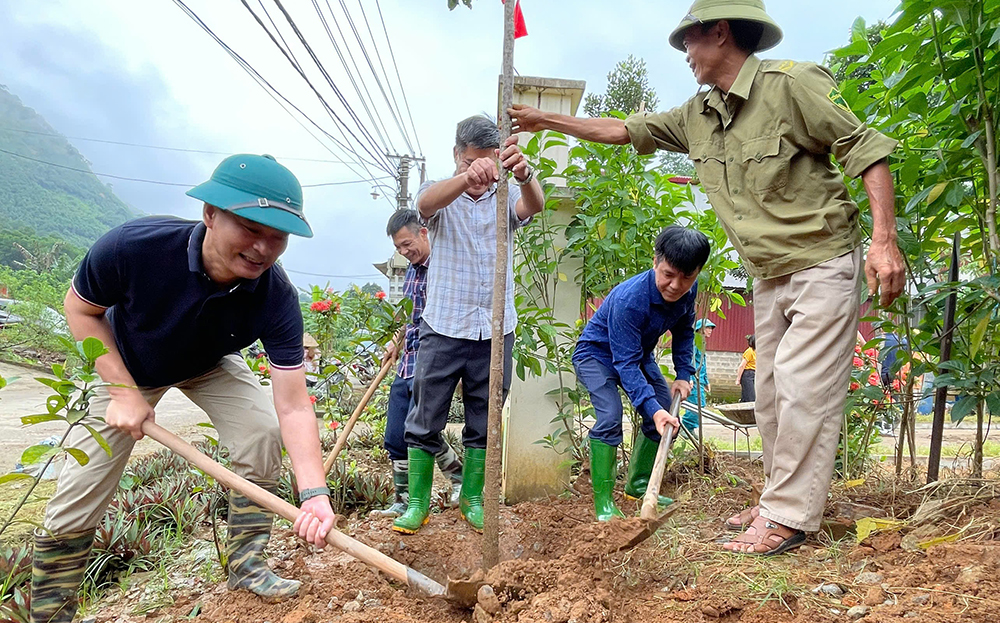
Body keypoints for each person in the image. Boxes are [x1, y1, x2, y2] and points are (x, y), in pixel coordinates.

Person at [509, 0, 905, 555]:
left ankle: (788, 515)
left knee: (800, 388)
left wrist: (884, 241)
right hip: (766, 275)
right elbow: (623, 129)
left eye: (689, 41)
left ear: (720, 33)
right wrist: (546, 119)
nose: (686, 55)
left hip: (821, 259)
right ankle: (776, 498)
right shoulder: (697, 114)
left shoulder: (792, 85)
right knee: (767, 396)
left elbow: (868, 148)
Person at [31, 154, 337, 622]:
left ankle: (247, 565)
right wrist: (121, 392)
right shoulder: (135, 247)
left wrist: (314, 492)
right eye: (250, 227)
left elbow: (294, 406)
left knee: (261, 432)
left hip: (208, 363)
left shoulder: (275, 297)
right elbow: (79, 310)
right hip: (125, 364)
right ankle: (50, 615)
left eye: (277, 236)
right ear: (210, 214)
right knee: (79, 490)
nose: (262, 247)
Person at [392, 115, 545, 534]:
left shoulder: (505, 196)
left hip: (495, 330)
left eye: (488, 162)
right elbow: (424, 206)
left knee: (485, 417)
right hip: (443, 327)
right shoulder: (439, 198)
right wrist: (465, 178)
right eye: (471, 161)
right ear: (458, 156)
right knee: (425, 417)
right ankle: (417, 504)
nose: (481, 172)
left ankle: (473, 499)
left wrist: (524, 173)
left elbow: (533, 205)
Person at [573, 226, 707, 521]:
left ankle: (639, 484)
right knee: (610, 415)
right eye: (668, 274)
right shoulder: (629, 300)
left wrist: (684, 372)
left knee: (661, 409)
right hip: (597, 355)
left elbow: (684, 330)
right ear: (655, 261)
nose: (676, 285)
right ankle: (604, 505)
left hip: (636, 355)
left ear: (697, 272)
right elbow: (625, 364)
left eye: (687, 277)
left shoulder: (688, 290)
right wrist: (653, 409)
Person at [375, 208, 464, 518]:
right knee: (396, 434)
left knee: (421, 431)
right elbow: (410, 316)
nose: (404, 251)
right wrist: (396, 341)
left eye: (407, 243)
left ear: (424, 233)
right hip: (409, 360)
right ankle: (401, 500)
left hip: (433, 361)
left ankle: (458, 481)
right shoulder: (412, 269)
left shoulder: (444, 268)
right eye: (398, 247)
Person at [683, 318, 716, 431]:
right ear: (700, 329)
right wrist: (690, 378)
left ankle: (689, 429)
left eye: (711, 328)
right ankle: (686, 428)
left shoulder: (701, 342)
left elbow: (702, 363)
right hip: (694, 380)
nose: (710, 330)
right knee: (696, 405)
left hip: (700, 380)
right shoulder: (694, 342)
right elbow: (690, 361)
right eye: (708, 327)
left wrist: (706, 381)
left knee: (700, 405)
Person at [736, 334, 757, 402]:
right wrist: (738, 379)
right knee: (750, 397)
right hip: (748, 374)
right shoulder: (749, 351)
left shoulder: (757, 351)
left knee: (752, 396)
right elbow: (742, 366)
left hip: (755, 373)